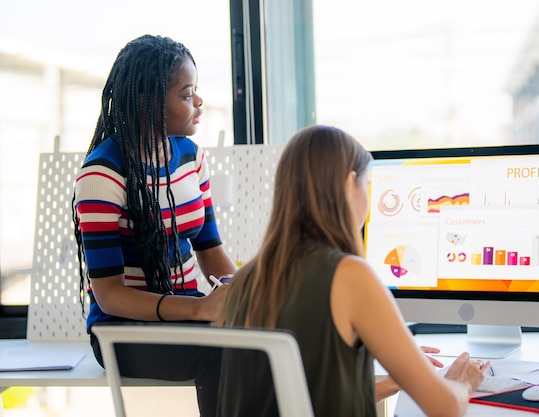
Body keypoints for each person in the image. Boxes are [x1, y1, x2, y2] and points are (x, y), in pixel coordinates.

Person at [216, 125, 489, 417]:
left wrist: (392, 381)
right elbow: (444, 407)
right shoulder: (349, 275)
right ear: (350, 183)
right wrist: (465, 383)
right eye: (367, 184)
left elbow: (298, 402)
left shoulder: (246, 280)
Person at [72, 34, 237, 415]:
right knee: (226, 352)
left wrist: (242, 291)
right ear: (148, 102)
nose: (198, 102)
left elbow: (211, 253)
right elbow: (110, 295)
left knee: (274, 333)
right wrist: (198, 310)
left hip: (188, 312)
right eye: (185, 94)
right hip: (120, 330)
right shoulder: (103, 175)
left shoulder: (190, 157)